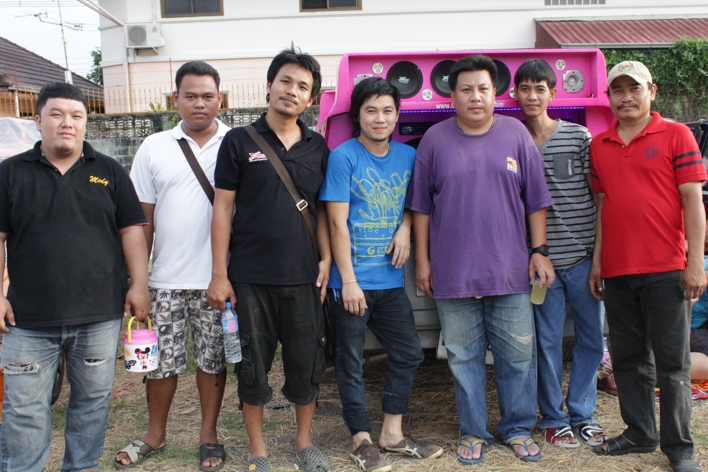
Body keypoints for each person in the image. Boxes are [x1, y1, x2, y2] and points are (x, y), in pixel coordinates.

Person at [407, 54, 554, 465]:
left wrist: (539, 251)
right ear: (452, 96)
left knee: (518, 356)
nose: (475, 97)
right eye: (466, 89)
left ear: (495, 94)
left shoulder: (516, 135)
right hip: (453, 273)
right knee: (463, 358)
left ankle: (517, 428)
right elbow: (421, 208)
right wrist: (423, 261)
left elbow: (536, 201)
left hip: (510, 271)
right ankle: (473, 431)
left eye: (483, 89)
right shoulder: (434, 140)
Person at [0, 82, 150, 471]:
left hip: (99, 316)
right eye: (56, 114)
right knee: (23, 410)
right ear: (38, 121)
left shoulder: (110, 171)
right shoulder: (10, 173)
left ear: (86, 123)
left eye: (76, 116)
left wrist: (138, 285)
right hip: (26, 321)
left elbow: (132, 230)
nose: (67, 123)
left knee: (91, 405)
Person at [207, 47, 332, 472]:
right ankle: (258, 450)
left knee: (306, 362)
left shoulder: (318, 146)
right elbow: (223, 208)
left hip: (303, 277)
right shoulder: (239, 141)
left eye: (302, 86)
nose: (291, 91)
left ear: (311, 99)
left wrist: (326, 259)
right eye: (285, 81)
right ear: (269, 85)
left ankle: (304, 443)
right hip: (249, 277)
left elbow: (322, 211)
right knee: (251, 365)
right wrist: (220, 274)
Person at [320, 77, 443, 472]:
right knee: (350, 362)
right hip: (351, 282)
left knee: (408, 353)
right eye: (371, 110)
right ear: (357, 115)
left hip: (390, 282)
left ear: (397, 115)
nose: (379, 118)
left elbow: (413, 201)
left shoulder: (408, 156)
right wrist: (348, 281)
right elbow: (336, 223)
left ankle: (392, 433)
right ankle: (361, 440)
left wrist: (405, 227)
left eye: (387, 110)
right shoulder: (343, 157)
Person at [589, 61, 706, 472]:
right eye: (618, 90)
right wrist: (598, 263)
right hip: (618, 270)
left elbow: (693, 200)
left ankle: (680, 448)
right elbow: (604, 207)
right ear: (609, 97)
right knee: (627, 358)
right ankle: (639, 432)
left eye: (634, 88)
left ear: (651, 91)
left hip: (667, 269)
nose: (626, 97)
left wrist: (695, 262)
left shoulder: (676, 134)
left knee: (672, 364)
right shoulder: (599, 144)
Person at [114, 61, 230, 471]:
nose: (199, 103)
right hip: (164, 280)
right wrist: (138, 282)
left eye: (207, 96)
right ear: (175, 99)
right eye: (190, 95)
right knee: (160, 362)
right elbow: (140, 222)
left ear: (220, 99)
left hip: (218, 280)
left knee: (212, 361)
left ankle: (208, 435)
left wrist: (228, 276)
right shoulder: (154, 146)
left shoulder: (236, 144)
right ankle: (155, 433)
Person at [514, 59, 606, 448]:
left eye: (540, 88)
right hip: (540, 264)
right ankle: (553, 418)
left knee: (592, 339)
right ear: (515, 93)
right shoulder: (511, 139)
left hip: (583, 257)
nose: (532, 96)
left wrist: (599, 257)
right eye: (525, 88)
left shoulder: (578, 136)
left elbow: (599, 199)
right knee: (546, 343)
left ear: (553, 93)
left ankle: (583, 413)